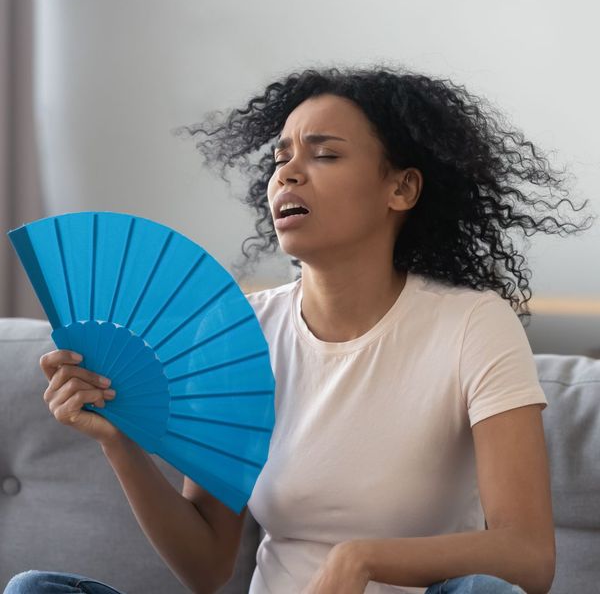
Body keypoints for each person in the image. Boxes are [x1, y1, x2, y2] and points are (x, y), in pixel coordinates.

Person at [4, 64, 595, 594]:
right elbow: (208, 566)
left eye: (325, 154)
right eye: (281, 157)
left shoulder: (472, 324)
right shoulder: (240, 333)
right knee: (36, 590)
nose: (288, 174)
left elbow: (527, 555)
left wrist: (360, 560)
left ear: (402, 188)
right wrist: (120, 442)